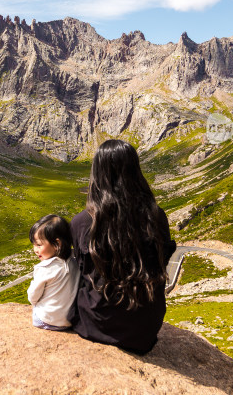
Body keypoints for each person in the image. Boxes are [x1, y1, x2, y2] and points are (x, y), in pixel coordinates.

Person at [67, 139, 176, 354]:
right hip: (145, 330)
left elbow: (79, 272)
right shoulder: (157, 216)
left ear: (97, 174)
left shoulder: (82, 222)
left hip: (97, 325)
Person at [27, 214, 80, 331]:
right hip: (70, 320)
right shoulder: (75, 260)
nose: (35, 250)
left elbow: (32, 297)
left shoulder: (44, 268)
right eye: (34, 245)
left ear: (57, 244)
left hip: (46, 321)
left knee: (36, 307)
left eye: (39, 245)